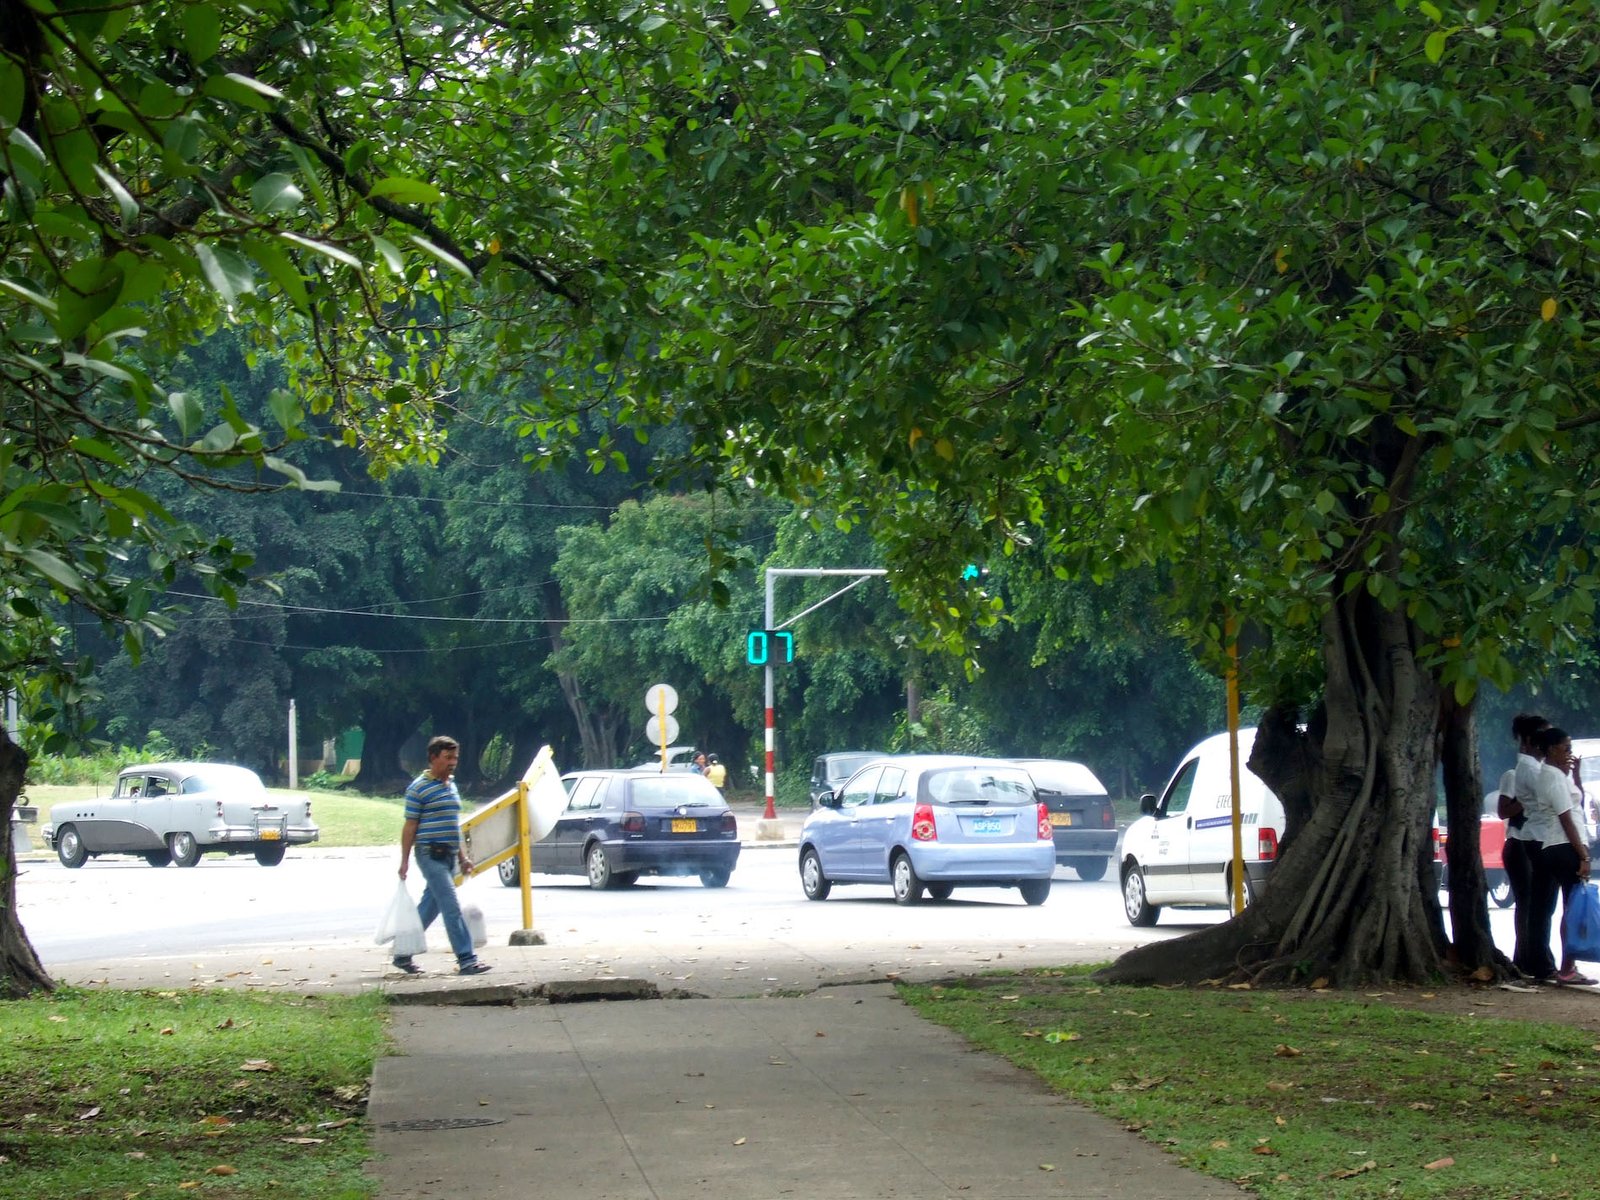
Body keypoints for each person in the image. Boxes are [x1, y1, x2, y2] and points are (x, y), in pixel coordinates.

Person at [394, 735, 491, 977]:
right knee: (451, 906)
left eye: (455, 757)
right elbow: (410, 827)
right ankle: (467, 959)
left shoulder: (452, 785)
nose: (452, 762)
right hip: (429, 854)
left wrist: (462, 857)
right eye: (447, 757)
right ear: (433, 757)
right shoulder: (418, 788)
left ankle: (403, 951)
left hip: (449, 855)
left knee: (431, 906)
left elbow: (453, 824)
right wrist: (404, 861)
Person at [1529, 725, 1594, 986]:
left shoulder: (1558, 774)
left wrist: (1574, 775)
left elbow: (1576, 804)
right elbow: (1566, 819)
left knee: (1569, 907)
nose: (1570, 753)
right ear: (1553, 749)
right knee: (1572, 909)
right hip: (1563, 846)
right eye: (1567, 748)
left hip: (1559, 845)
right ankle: (1567, 968)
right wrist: (1583, 855)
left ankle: (1567, 965)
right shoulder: (1552, 777)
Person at [1497, 713, 1548, 979]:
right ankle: (1525, 958)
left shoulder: (1540, 771)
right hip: (1518, 843)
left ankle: (1528, 956)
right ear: (1528, 740)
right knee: (1526, 902)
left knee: (1534, 904)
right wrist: (1525, 801)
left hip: (1532, 842)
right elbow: (1503, 810)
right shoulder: (1514, 775)